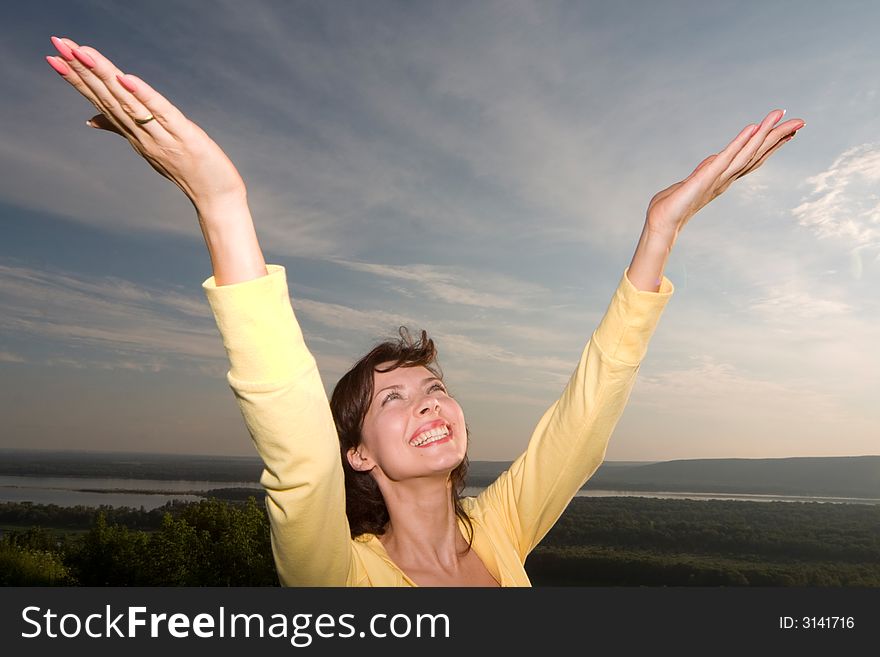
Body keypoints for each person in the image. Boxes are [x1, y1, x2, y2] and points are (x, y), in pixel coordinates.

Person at [46, 36, 805, 586]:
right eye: (394, 399)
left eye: (434, 387)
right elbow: (296, 452)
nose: (429, 401)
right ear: (359, 455)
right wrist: (221, 200)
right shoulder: (337, 578)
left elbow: (589, 409)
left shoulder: (504, 529)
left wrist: (659, 231)